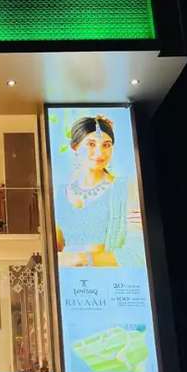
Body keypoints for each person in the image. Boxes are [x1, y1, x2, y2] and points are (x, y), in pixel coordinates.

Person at [54, 114, 139, 269]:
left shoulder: (126, 189)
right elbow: (54, 248)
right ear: (75, 147)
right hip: (68, 278)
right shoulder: (61, 193)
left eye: (106, 145)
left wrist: (82, 259)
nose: (99, 153)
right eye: (91, 144)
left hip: (107, 279)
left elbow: (137, 254)